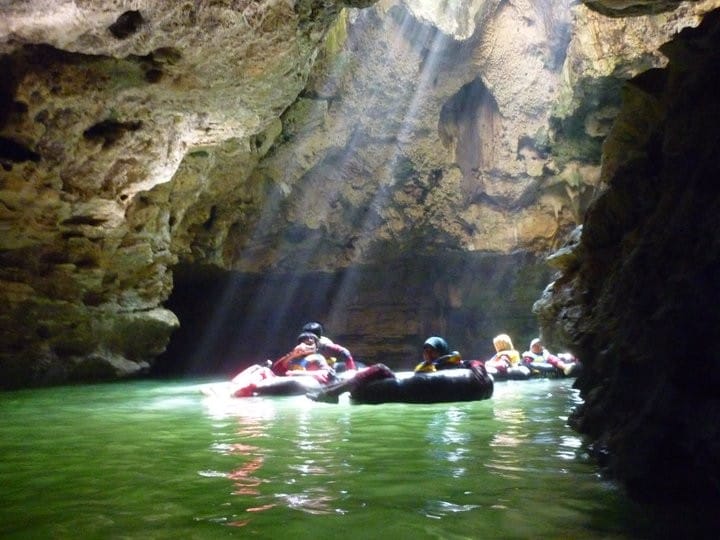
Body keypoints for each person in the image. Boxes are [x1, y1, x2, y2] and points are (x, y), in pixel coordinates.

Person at [307, 336, 463, 403]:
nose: (428, 354)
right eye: (425, 350)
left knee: (380, 368)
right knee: (370, 374)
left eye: (432, 350)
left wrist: (441, 362)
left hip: (405, 387)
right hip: (405, 385)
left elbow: (454, 366)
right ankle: (330, 391)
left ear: (441, 351)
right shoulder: (426, 365)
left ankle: (330, 394)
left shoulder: (447, 363)